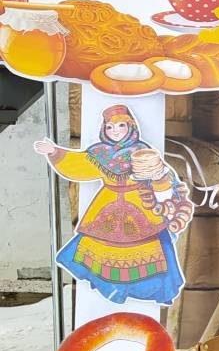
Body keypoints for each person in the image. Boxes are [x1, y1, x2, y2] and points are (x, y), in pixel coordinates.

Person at [34, 105, 192, 305]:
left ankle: (152, 289)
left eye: (120, 125)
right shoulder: (99, 153)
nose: (115, 131)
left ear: (131, 126)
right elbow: (77, 165)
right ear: (104, 129)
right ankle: (112, 290)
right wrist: (54, 152)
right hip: (107, 205)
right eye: (110, 127)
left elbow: (162, 176)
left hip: (141, 204)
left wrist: (159, 178)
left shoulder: (142, 151)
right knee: (100, 249)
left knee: (154, 247)